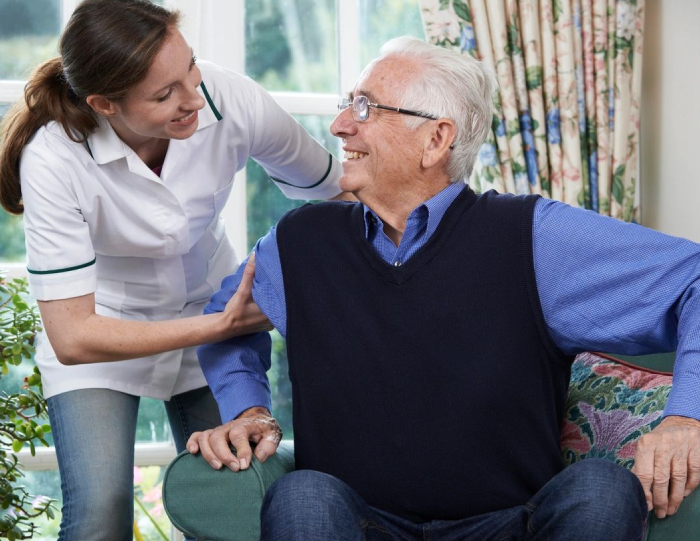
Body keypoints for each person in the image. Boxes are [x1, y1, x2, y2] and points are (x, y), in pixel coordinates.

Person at [190, 36, 700, 540]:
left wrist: (685, 418)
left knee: (603, 488)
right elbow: (225, 322)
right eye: (347, 105)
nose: (339, 124)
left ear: (435, 140)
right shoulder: (298, 243)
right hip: (360, 524)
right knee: (303, 494)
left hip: (511, 525)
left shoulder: (535, 237)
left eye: (365, 108)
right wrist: (249, 409)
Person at [0, 0, 346, 539]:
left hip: (209, 307)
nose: (194, 100)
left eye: (190, 70)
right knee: (99, 516)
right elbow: (72, 336)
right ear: (105, 104)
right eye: (164, 95)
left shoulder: (229, 98)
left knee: (234, 504)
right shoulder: (53, 159)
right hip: (104, 330)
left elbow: (337, 193)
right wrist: (223, 325)